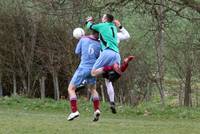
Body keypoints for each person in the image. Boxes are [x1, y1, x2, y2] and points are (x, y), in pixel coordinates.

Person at [67, 30, 101, 122]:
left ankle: (74, 111)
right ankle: (97, 109)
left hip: (83, 68)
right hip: (93, 69)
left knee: (71, 89)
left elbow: (77, 51)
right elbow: (99, 56)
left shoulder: (83, 39)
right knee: (93, 89)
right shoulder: (99, 43)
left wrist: (81, 40)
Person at [104, 19, 135, 114]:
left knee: (94, 71)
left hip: (105, 56)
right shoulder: (116, 34)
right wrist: (120, 26)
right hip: (116, 56)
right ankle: (112, 102)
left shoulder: (102, 32)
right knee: (109, 81)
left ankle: (82, 82)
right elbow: (127, 36)